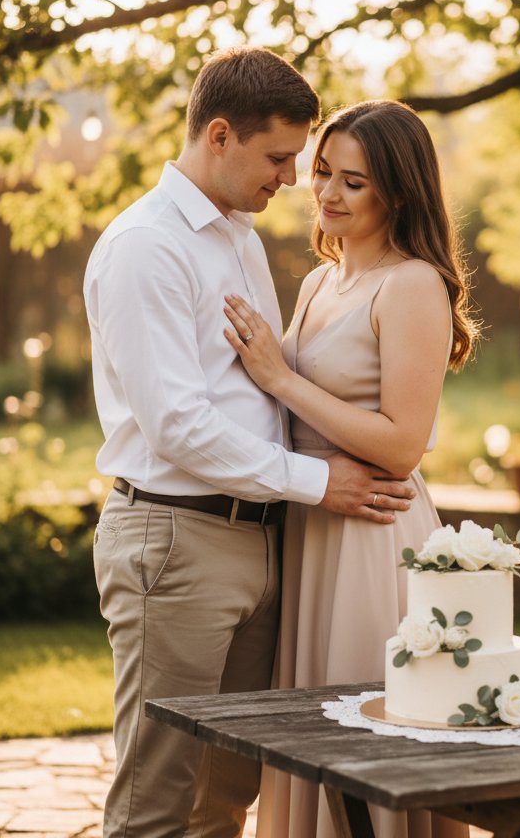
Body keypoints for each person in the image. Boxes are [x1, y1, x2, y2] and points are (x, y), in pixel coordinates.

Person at [84, 49, 414, 838]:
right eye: (280, 158)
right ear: (221, 136)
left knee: (227, 795)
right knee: (156, 798)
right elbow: (177, 425)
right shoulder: (147, 247)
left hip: (260, 539)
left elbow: (262, 386)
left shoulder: (236, 235)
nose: (294, 180)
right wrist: (314, 481)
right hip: (176, 540)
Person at [220, 99, 477, 838]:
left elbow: (403, 443)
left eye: (353, 182)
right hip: (313, 528)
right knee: (311, 733)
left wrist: (280, 377)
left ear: (397, 191)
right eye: (324, 172)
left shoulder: (412, 285)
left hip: (374, 538)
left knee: (370, 743)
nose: (327, 192)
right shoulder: (318, 283)